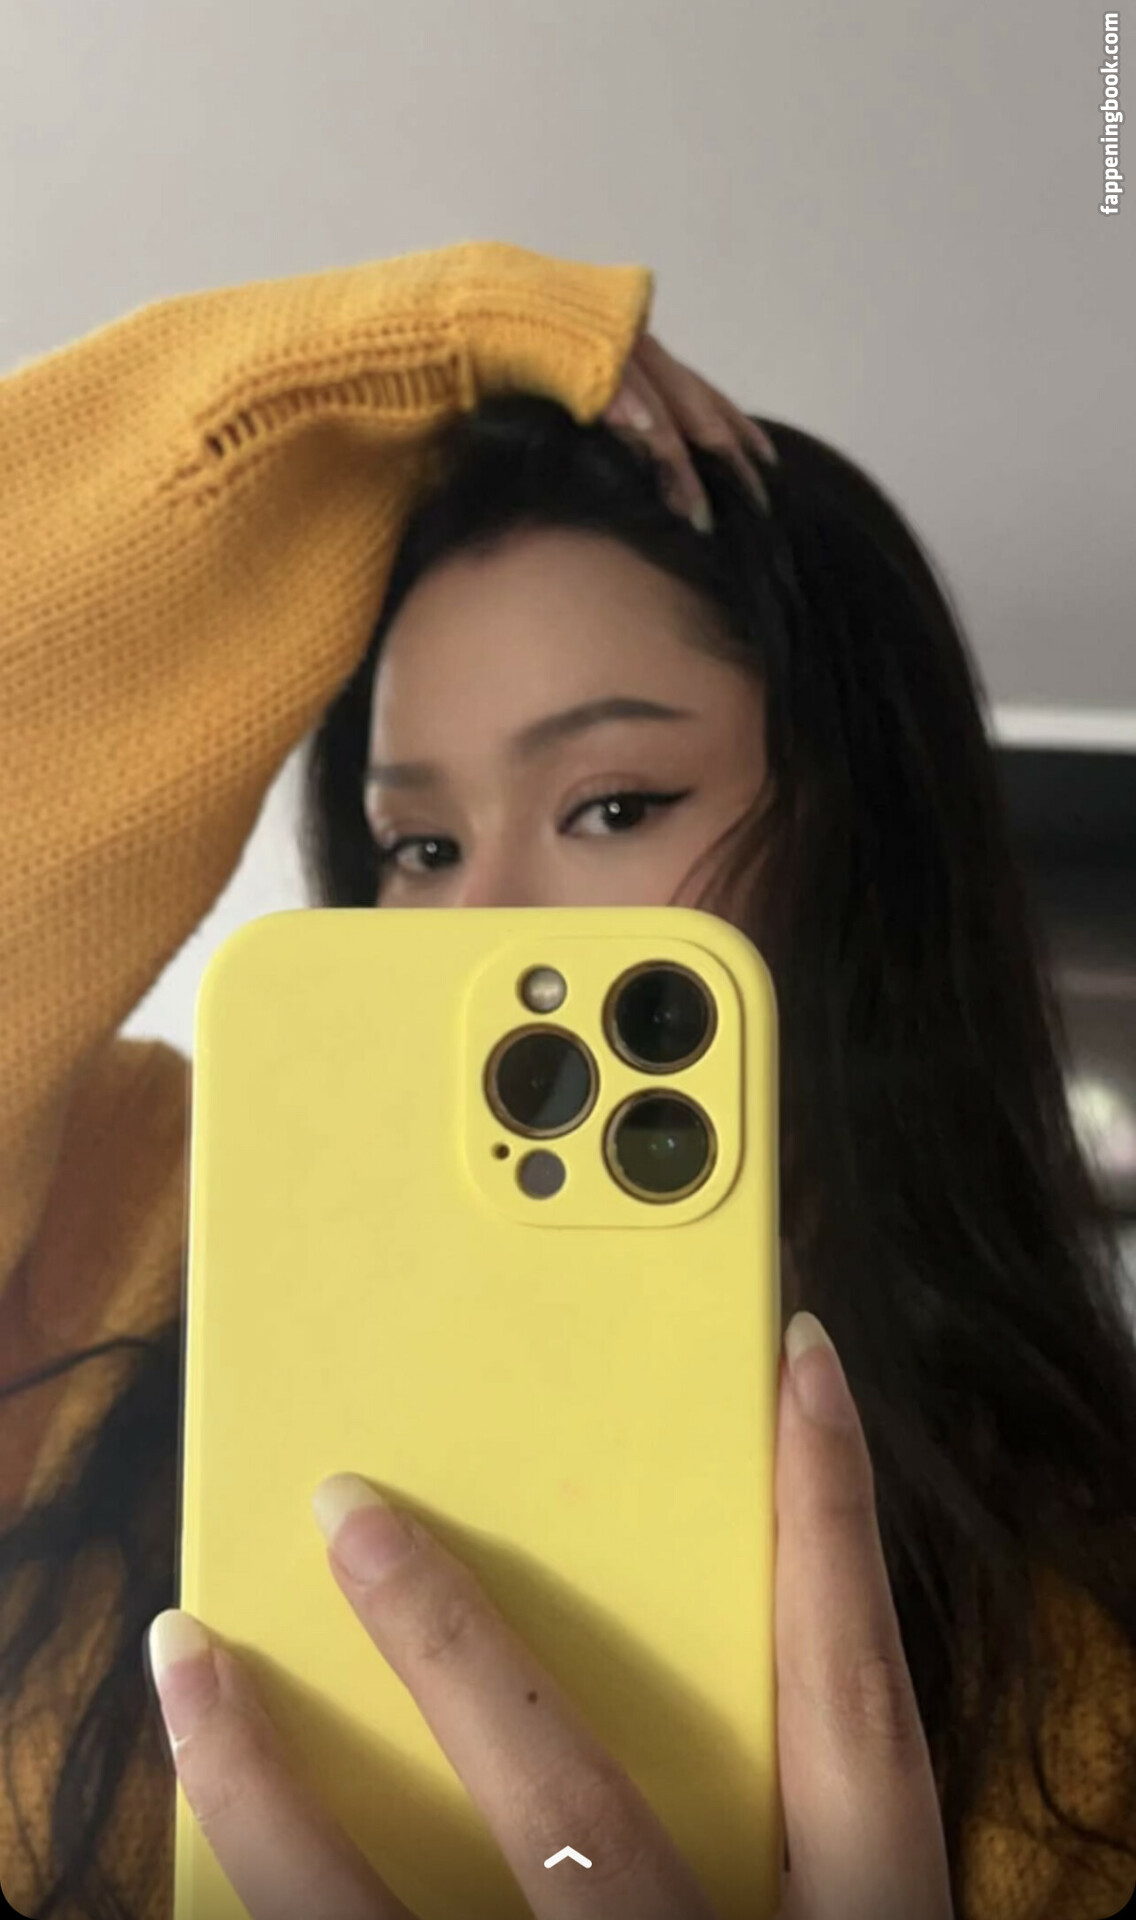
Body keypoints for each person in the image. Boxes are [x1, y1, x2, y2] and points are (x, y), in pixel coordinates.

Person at [1, 240, 1134, 1920]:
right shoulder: (157, 1215)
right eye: (419, 843)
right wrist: (324, 387)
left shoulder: (1081, 1672)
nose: (481, 927)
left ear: (861, 849)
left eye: (612, 806)